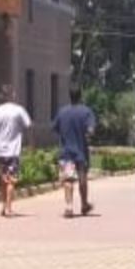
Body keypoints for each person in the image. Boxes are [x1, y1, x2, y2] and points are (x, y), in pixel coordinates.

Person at [52, 85, 96, 218]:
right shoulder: (86, 112)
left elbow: (55, 128)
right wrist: (87, 135)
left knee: (68, 179)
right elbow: (91, 130)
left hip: (66, 151)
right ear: (80, 96)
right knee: (82, 177)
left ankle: (69, 207)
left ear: (69, 96)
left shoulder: (62, 112)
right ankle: (84, 204)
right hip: (81, 151)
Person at [0, 85, 32, 217]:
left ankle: (3, 205)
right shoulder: (19, 110)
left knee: (3, 180)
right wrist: (30, 143)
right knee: (11, 180)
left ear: (1, 96)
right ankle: (8, 208)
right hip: (13, 150)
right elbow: (29, 126)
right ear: (12, 95)